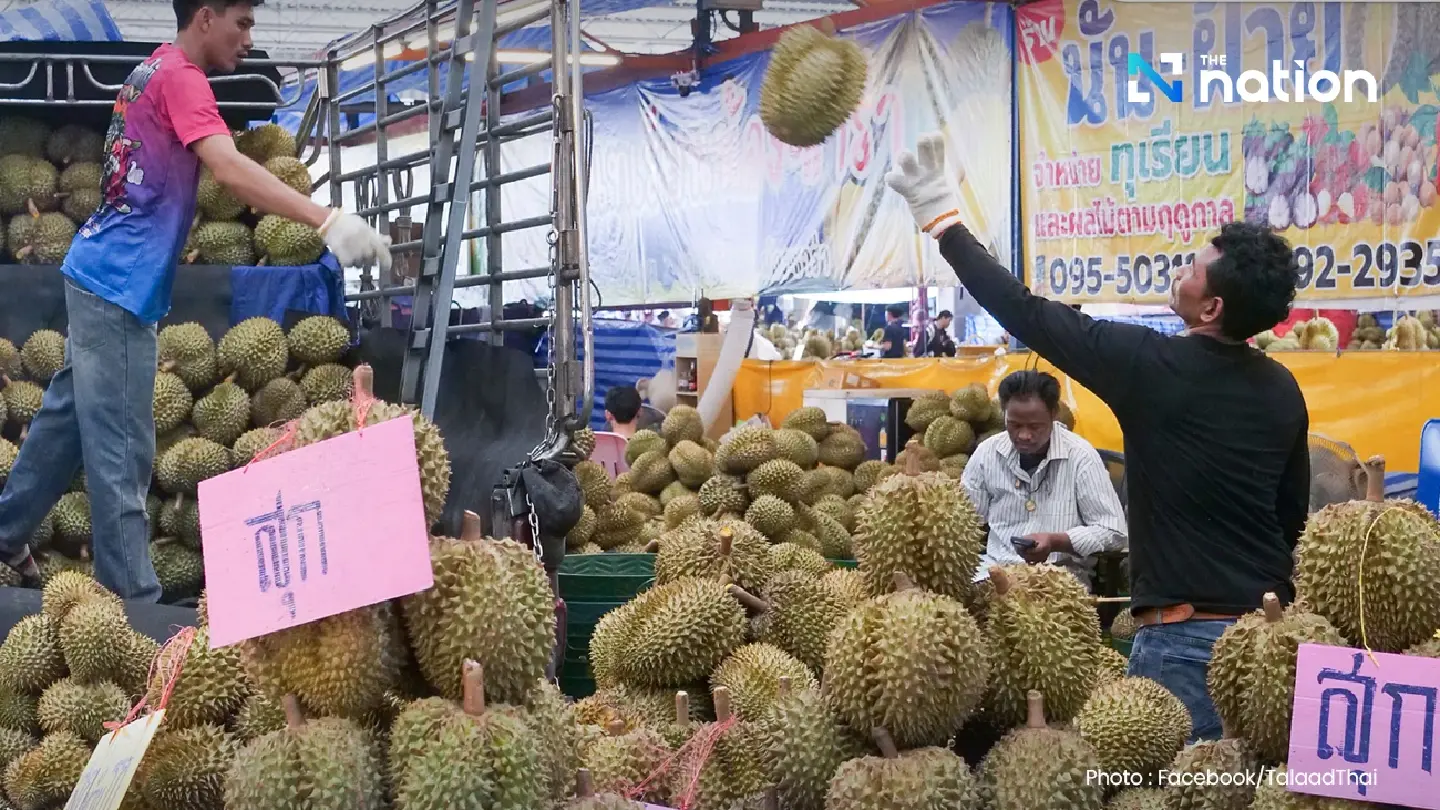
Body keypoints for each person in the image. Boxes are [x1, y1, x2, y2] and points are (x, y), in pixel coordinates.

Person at [885, 134, 1308, 743]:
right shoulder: (1283, 389)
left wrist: (943, 221)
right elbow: (1291, 517)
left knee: (1166, 785)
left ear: (1211, 308)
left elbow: (1026, 311)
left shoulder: (1147, 365)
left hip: (1184, 642)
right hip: (1272, 641)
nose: (1180, 271)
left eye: (1191, 269)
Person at [0, 0, 392, 599]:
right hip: (117, 285)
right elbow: (229, 169)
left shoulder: (153, 68)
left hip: (97, 269)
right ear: (206, 17)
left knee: (65, 423)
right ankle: (134, 605)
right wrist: (326, 219)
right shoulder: (183, 79)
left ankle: (5, 532)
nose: (249, 38)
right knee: (122, 454)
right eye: (242, 22)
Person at [962, 370, 1127, 588]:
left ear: (1054, 414)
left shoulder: (1081, 457)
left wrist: (1056, 541)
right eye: (1014, 425)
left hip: (1059, 580)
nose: (1024, 435)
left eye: (1035, 426)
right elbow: (965, 521)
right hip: (996, 574)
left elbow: (1114, 532)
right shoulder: (987, 453)